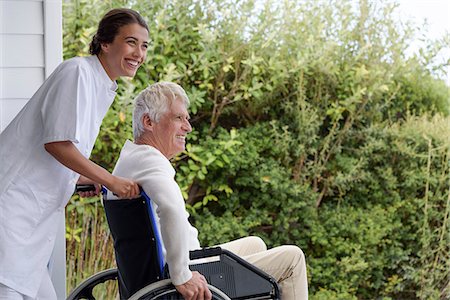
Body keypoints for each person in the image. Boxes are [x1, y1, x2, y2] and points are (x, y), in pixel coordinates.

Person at [110, 82, 309, 300]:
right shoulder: (151, 161)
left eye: (187, 119)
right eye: (179, 118)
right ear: (148, 121)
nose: (188, 127)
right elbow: (171, 210)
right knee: (293, 259)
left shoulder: (132, 156)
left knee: (255, 244)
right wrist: (182, 276)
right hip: (184, 273)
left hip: (180, 264)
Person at [0, 8, 148, 299]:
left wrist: (81, 179)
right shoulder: (78, 71)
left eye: (144, 46)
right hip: (11, 212)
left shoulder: (103, 85)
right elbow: (56, 143)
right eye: (131, 42)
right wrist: (110, 180)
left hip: (31, 224)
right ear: (105, 42)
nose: (139, 53)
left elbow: (58, 150)